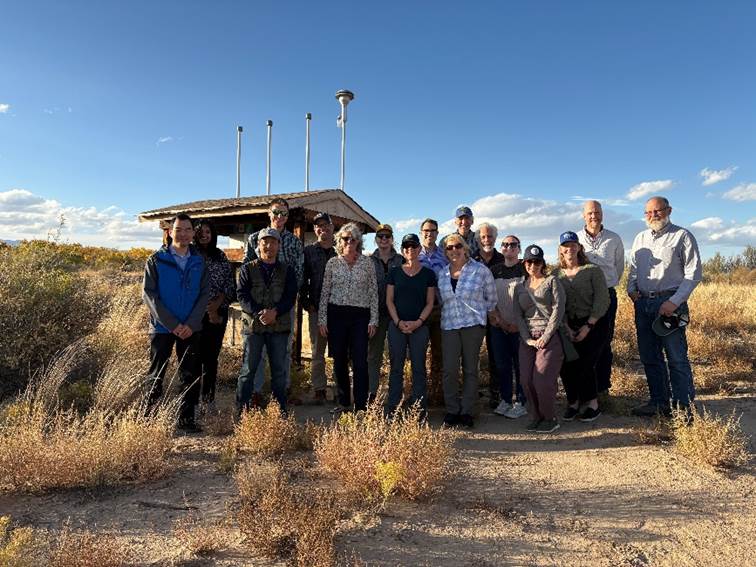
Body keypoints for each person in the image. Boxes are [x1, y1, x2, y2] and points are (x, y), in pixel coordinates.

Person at [627, 196, 702, 417]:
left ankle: (683, 406)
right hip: (643, 304)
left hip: (670, 303)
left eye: (657, 211)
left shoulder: (682, 236)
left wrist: (674, 302)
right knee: (649, 356)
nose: (653, 216)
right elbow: (632, 269)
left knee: (676, 357)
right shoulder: (640, 238)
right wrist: (631, 290)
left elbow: (693, 274)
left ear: (669, 210)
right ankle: (659, 402)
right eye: (648, 212)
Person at [142, 214, 209, 432]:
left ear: (193, 233)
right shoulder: (156, 260)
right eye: (178, 229)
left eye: (187, 229)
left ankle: (186, 420)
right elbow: (149, 295)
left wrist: (190, 323)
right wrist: (172, 324)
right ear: (170, 232)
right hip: (162, 328)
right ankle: (148, 420)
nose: (183, 234)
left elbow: (204, 294)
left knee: (189, 374)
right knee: (156, 373)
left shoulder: (199, 261)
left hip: (191, 328)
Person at [243, 197, 304, 400]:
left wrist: (281, 306)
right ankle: (256, 392)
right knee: (255, 353)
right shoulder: (254, 239)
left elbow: (299, 273)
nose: (279, 216)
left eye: (283, 213)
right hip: (257, 306)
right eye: (276, 212)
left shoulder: (294, 242)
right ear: (269, 214)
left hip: (283, 306)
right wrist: (257, 308)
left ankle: (282, 390)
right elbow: (246, 271)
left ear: (288, 216)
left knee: (284, 350)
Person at [437, 233, 498, 428]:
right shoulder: (442, 273)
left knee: (471, 369)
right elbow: (441, 299)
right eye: (449, 248)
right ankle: (452, 409)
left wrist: (482, 316)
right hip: (449, 325)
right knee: (449, 370)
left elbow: (492, 298)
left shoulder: (480, 271)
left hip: (472, 325)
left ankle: (467, 410)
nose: (454, 250)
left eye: (457, 246)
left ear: (465, 248)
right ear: (445, 252)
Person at [236, 228, 297, 415]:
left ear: (279, 246)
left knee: (279, 372)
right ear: (258, 245)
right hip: (254, 327)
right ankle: (242, 412)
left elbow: (290, 296)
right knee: (248, 370)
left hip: (279, 327)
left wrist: (275, 313)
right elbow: (242, 295)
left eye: (273, 242)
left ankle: (280, 412)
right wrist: (260, 312)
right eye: (265, 242)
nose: (268, 246)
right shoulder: (247, 269)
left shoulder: (288, 271)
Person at [319, 223, 379, 413]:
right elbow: (325, 292)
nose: (349, 242)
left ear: (358, 241)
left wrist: (374, 319)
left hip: (360, 316)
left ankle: (361, 405)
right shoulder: (332, 263)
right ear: (340, 240)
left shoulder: (367, 263)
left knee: (360, 360)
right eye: (345, 238)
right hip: (336, 315)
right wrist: (322, 319)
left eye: (353, 238)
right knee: (339, 360)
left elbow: (373, 292)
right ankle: (344, 403)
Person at [554, 231, 610, 422]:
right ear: (561, 250)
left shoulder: (592, 270)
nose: (569, 249)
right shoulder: (556, 274)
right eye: (565, 246)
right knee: (567, 365)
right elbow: (554, 303)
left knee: (586, 363)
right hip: (567, 324)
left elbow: (603, 299)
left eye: (573, 245)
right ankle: (573, 403)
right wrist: (566, 326)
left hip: (594, 324)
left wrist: (588, 325)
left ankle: (593, 404)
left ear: (579, 247)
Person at [514, 244, 565, 434]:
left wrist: (546, 335)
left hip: (548, 338)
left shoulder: (552, 282)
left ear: (543, 263)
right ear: (524, 263)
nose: (533, 265)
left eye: (537, 261)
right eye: (529, 261)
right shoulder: (520, 287)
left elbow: (558, 310)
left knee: (542, 379)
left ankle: (549, 418)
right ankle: (536, 416)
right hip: (528, 339)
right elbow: (518, 315)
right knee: (526, 380)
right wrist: (527, 339)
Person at [385, 233, 436, 417]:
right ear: (402, 250)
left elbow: (430, 302)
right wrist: (398, 322)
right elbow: (389, 300)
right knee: (396, 367)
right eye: (406, 247)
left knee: (419, 368)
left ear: (419, 249)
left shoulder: (428, 274)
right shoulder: (394, 272)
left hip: (419, 327)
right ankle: (393, 408)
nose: (410, 250)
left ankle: (419, 410)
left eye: (414, 246)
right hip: (397, 326)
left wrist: (418, 322)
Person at [577, 200, 625, 395]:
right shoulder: (576, 239)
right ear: (583, 215)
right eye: (589, 213)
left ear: (602, 214)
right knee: (583, 341)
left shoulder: (614, 239)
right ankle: (584, 389)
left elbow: (619, 267)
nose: (593, 216)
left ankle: (603, 389)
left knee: (605, 341)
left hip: (606, 295)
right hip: (582, 298)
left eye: (597, 212)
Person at [193, 220, 235, 409]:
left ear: (213, 234)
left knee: (210, 358)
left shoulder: (220, 256)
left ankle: (208, 401)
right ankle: (190, 400)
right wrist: (203, 307)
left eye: (208, 232)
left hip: (217, 313)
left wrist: (217, 305)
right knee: (193, 358)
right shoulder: (189, 255)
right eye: (200, 232)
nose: (204, 235)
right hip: (193, 314)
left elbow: (229, 284)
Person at [489, 235, 528, 418]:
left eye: (513, 245)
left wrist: (519, 325)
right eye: (505, 245)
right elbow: (490, 298)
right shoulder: (494, 270)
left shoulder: (525, 269)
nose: (509, 248)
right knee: (502, 365)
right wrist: (500, 321)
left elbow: (531, 299)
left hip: (520, 327)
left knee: (520, 365)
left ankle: (521, 401)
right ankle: (505, 400)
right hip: (499, 326)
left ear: (519, 249)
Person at [300, 212, 337, 404]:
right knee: (317, 353)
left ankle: (340, 389)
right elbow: (301, 281)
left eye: (326, 225)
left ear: (332, 227)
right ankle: (319, 390)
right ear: (315, 229)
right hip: (316, 310)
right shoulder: (308, 252)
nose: (322, 229)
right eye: (318, 226)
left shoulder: (341, 250)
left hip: (338, 310)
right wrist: (307, 303)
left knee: (339, 351)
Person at [368, 223, 404, 402]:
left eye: (387, 236)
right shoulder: (368, 260)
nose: (384, 239)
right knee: (374, 355)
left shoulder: (401, 260)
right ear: (375, 239)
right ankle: (372, 394)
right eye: (380, 236)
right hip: (375, 314)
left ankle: (395, 395)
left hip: (396, 314)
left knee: (396, 355)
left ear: (392, 239)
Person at [473, 222, 506, 410]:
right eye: (483, 237)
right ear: (478, 239)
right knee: (472, 356)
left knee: (496, 354)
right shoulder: (470, 259)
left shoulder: (502, 259)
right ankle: (473, 393)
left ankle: (497, 393)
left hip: (496, 314)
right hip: (476, 314)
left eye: (490, 236)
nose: (487, 239)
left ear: (495, 238)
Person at [418, 218, 447, 395]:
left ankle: (437, 392)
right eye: (426, 231)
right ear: (422, 233)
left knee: (439, 353)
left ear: (437, 233)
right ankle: (420, 393)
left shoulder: (444, 255)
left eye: (433, 230)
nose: (429, 234)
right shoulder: (413, 253)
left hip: (440, 310)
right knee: (419, 353)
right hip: (419, 311)